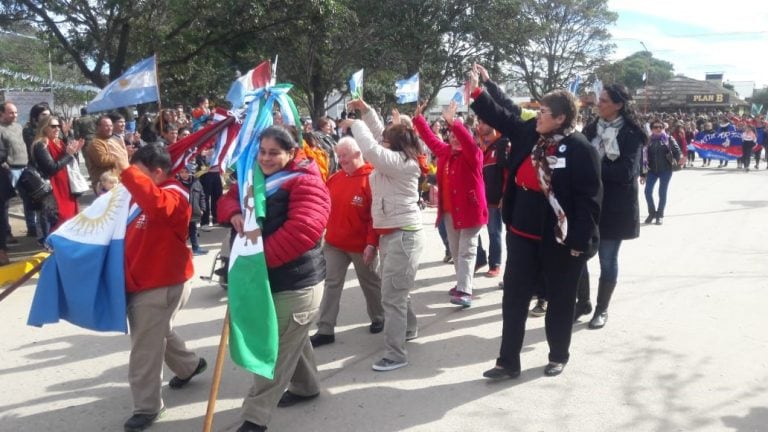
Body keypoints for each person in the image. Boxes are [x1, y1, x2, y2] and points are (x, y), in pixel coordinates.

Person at [469, 64, 602, 378]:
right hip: (522, 231)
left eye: (543, 112)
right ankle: (507, 362)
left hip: (559, 237)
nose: (537, 116)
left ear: (560, 118)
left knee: (560, 298)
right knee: (514, 297)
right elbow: (505, 114)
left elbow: (590, 202)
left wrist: (579, 244)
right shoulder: (531, 133)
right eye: (538, 110)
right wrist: (479, 90)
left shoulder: (581, 148)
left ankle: (558, 354)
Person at [217, 126, 330, 432]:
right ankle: (306, 386)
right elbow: (228, 198)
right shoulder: (254, 175)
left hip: (296, 284)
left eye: (274, 153)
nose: (266, 158)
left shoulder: (307, 182)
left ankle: (255, 417)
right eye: (262, 151)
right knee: (293, 337)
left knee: (274, 350)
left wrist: (252, 265)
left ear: (291, 153)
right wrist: (233, 214)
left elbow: (302, 233)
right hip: (268, 278)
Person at [105, 142, 207, 432]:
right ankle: (189, 365)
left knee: (144, 348)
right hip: (143, 280)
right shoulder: (139, 191)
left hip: (161, 282)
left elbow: (159, 207)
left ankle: (148, 407)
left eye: (136, 172)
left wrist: (126, 171)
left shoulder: (176, 195)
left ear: (158, 172)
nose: (129, 177)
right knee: (156, 332)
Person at [343, 99, 425, 372]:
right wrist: (366, 111)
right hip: (393, 234)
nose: (383, 140)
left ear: (395, 144)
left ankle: (395, 353)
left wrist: (355, 123)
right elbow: (379, 136)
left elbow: (371, 147)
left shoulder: (402, 163)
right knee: (398, 291)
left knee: (392, 296)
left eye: (388, 138)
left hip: (403, 235)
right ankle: (408, 329)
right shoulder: (398, 156)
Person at [578, 84, 645, 329]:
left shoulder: (632, 133)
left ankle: (601, 309)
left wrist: (591, 169)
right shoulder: (591, 128)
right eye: (600, 99)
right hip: (588, 203)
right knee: (579, 254)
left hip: (615, 207)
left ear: (618, 105)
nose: (599, 104)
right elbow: (578, 155)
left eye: (604, 100)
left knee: (607, 259)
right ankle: (582, 302)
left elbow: (626, 171)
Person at [310, 136, 385, 347]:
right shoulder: (335, 178)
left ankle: (379, 316)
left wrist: (372, 244)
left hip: (361, 246)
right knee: (331, 284)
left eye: (345, 155)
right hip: (334, 244)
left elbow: (375, 217)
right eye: (339, 155)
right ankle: (325, 329)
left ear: (357, 154)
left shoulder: (371, 178)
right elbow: (322, 204)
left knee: (370, 283)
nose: (341, 160)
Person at [413, 100, 487, 308]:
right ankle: (462, 284)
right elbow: (428, 138)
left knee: (466, 250)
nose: (454, 138)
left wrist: (454, 122)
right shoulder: (445, 152)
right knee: (455, 251)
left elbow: (467, 141)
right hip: (449, 212)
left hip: (470, 211)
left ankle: (465, 290)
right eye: (451, 135)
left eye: (458, 135)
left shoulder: (473, 154)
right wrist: (419, 119)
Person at [31, 116, 85, 228]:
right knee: (60, 220)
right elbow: (51, 168)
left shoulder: (59, 141)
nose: (57, 129)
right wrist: (69, 154)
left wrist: (73, 151)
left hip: (67, 187)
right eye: (53, 126)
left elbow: (67, 161)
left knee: (71, 220)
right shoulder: (41, 144)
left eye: (58, 126)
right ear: (44, 128)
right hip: (54, 189)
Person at [642, 119, 682, 225]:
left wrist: (675, 161)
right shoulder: (648, 140)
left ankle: (659, 215)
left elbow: (677, 152)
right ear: (651, 129)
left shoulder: (668, 138)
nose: (658, 129)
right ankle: (652, 213)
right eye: (655, 127)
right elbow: (643, 158)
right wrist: (643, 174)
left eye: (661, 127)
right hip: (652, 171)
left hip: (665, 170)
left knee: (662, 192)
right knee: (647, 192)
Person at [0, 102, 23, 264]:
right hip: (6, 172)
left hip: (4, 177)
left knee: (2, 211)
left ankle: (2, 250)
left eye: (16, 112)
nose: (14, 115)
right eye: (11, 112)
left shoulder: (16, 128)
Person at [177, 164, 208, 255]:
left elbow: (202, 196)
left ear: (190, 172)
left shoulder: (196, 182)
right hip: (182, 213)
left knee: (193, 230)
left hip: (193, 212)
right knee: (182, 232)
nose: (184, 174)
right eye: (182, 172)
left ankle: (196, 248)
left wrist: (202, 208)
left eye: (186, 172)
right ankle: (181, 249)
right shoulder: (177, 183)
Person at [85, 115, 120, 192]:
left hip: (114, 182)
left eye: (111, 125)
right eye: (106, 126)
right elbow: (102, 160)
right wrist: (118, 155)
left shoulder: (111, 140)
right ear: (98, 128)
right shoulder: (95, 143)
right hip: (103, 185)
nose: (110, 128)